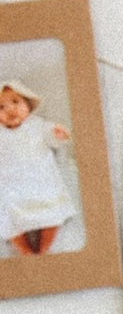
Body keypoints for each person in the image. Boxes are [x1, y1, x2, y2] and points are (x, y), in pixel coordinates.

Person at [0, 74, 77, 253]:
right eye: (1, 107)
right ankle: (25, 250)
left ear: (28, 104)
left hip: (41, 183)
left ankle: (43, 249)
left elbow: (52, 138)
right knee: (8, 219)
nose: (11, 109)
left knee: (53, 216)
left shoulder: (38, 125)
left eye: (16, 102)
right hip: (12, 188)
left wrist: (57, 134)